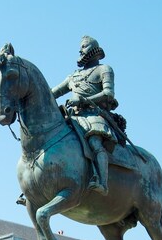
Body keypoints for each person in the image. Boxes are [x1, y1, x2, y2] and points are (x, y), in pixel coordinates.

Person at [51, 36, 119, 196]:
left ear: (94, 50)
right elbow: (53, 93)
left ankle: (102, 182)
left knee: (95, 142)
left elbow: (109, 93)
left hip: (93, 115)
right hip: (72, 117)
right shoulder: (73, 76)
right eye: (80, 47)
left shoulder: (104, 69)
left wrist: (83, 100)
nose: (80, 50)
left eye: (84, 46)